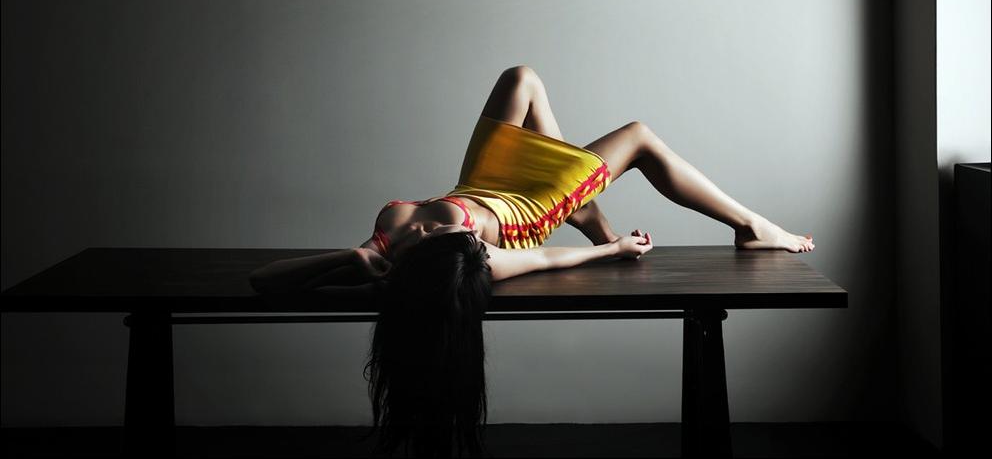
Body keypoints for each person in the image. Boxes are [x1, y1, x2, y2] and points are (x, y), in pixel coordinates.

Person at [249, 65, 815, 458]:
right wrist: (613, 250)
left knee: (521, 79)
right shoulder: (480, 257)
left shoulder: (388, 251)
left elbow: (265, 279)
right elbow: (545, 259)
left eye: (431, 231)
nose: (426, 225)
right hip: (530, 208)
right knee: (639, 138)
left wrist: (353, 256)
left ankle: (587, 210)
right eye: (443, 233)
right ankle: (750, 226)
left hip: (480, 179)